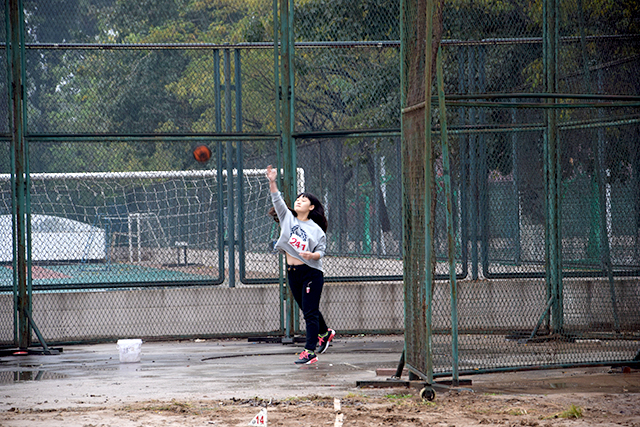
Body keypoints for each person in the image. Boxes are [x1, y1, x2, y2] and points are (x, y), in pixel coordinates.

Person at [266, 165, 336, 364]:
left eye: (304, 200)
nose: (299, 201)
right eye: (298, 199)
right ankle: (325, 332)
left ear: (311, 207)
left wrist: (312, 255)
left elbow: (321, 252)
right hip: (293, 272)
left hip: (311, 273)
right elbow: (277, 199)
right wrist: (272, 181)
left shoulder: (316, 230)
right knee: (307, 309)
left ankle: (309, 351)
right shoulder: (287, 218)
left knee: (310, 313)